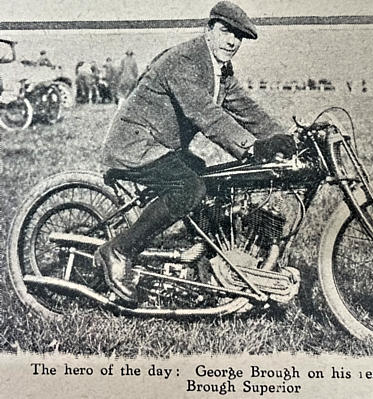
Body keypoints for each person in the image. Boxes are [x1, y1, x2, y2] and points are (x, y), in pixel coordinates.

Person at [94, 0, 296, 303]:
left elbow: (245, 109)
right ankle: (119, 250)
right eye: (226, 31)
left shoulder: (221, 71)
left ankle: (200, 262)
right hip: (135, 145)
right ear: (209, 30)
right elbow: (203, 113)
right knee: (190, 187)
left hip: (160, 146)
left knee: (214, 180)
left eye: (238, 37)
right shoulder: (185, 60)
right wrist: (252, 147)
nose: (231, 41)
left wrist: (283, 138)